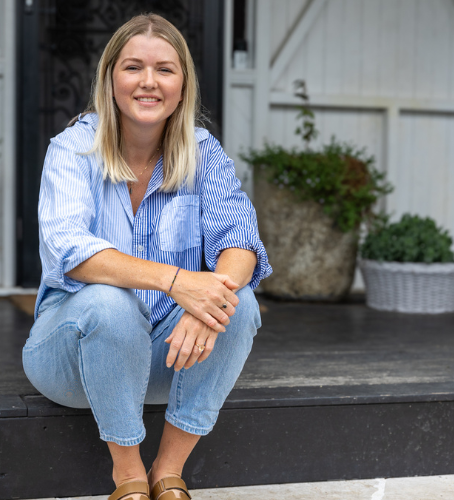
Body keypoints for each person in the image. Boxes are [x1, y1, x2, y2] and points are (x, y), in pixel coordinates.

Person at [22, 13, 272, 500]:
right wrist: (181, 283)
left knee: (238, 302)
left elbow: (240, 240)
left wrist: (213, 299)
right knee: (110, 303)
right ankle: (128, 476)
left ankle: (168, 471)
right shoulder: (74, 148)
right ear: (110, 78)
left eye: (165, 70)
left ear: (183, 86)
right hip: (71, 360)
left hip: (165, 359)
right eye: (134, 67)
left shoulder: (203, 153)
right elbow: (72, 252)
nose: (149, 82)